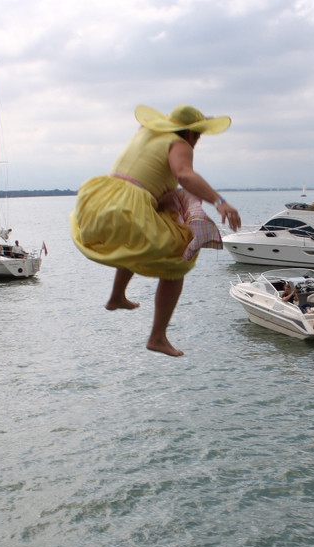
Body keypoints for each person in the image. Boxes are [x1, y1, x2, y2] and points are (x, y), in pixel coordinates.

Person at [70, 104, 241, 357]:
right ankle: (157, 337)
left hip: (100, 199)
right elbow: (183, 174)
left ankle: (116, 296)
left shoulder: (146, 131)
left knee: (137, 240)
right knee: (180, 254)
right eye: (199, 136)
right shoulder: (180, 143)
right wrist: (220, 202)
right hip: (130, 206)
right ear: (191, 134)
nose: (198, 142)